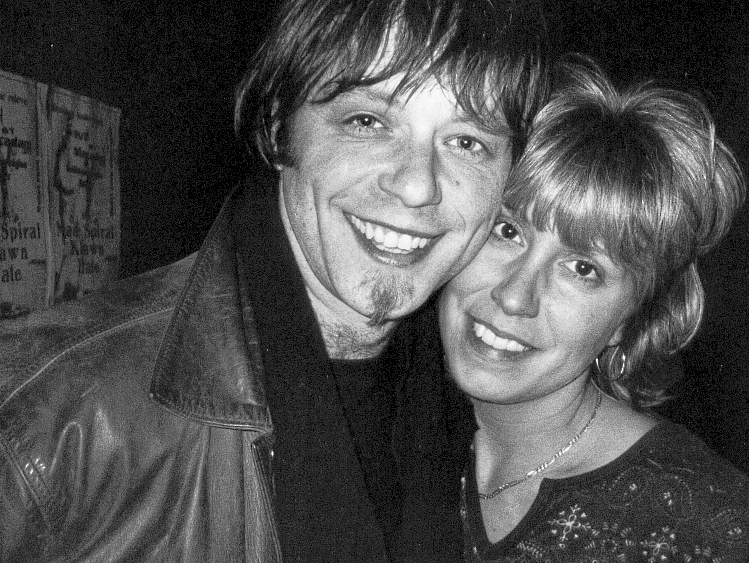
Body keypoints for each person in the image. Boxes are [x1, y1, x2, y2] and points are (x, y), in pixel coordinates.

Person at [0, 0, 549, 561]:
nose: (417, 186)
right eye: (368, 122)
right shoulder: (47, 418)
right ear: (279, 127)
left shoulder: (467, 404)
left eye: (467, 143)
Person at [437, 57, 749, 562]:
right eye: (508, 230)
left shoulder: (703, 529)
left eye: (582, 268)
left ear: (629, 319)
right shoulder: (393, 424)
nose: (515, 296)